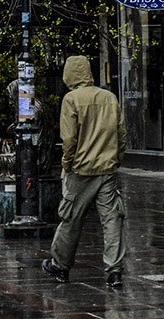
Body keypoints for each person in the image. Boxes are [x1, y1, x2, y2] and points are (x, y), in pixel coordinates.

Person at [42, 55, 127, 290]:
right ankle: (114, 271)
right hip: (107, 169)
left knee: (70, 218)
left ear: (69, 75)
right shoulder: (109, 97)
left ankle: (60, 265)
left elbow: (69, 139)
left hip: (81, 170)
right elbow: (121, 133)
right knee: (112, 220)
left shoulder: (71, 99)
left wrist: (67, 165)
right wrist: (116, 158)